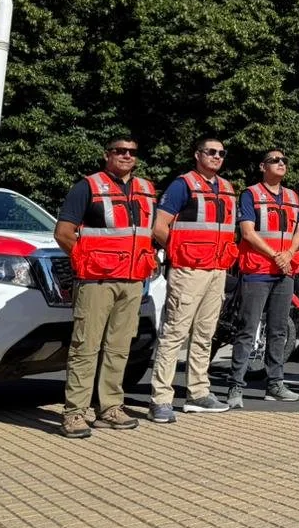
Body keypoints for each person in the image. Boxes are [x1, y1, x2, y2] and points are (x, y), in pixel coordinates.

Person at [53, 135, 157, 438]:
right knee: (85, 347)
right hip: (97, 280)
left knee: (120, 347)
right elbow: (63, 233)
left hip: (133, 279)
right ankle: (74, 413)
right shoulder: (88, 186)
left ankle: (110, 407)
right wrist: (86, 261)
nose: (126, 155)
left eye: (131, 151)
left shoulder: (146, 189)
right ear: (107, 155)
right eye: (119, 151)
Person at [148, 136, 238, 422]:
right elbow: (159, 226)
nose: (216, 157)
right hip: (189, 270)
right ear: (197, 155)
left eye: (221, 153)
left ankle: (198, 392)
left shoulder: (226, 188)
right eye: (211, 152)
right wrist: (180, 254)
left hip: (216, 270)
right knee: (175, 332)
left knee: (205, 333)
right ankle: (161, 398)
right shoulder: (182, 184)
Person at [227, 149, 299, 409]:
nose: (281, 163)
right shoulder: (251, 194)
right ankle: (236, 386)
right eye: (275, 160)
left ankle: (275, 383)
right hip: (259, 270)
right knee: (248, 328)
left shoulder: (293, 196)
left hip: (284, 272)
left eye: (284, 160)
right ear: (263, 166)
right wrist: (276, 255)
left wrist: (289, 254)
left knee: (279, 329)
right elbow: (247, 232)